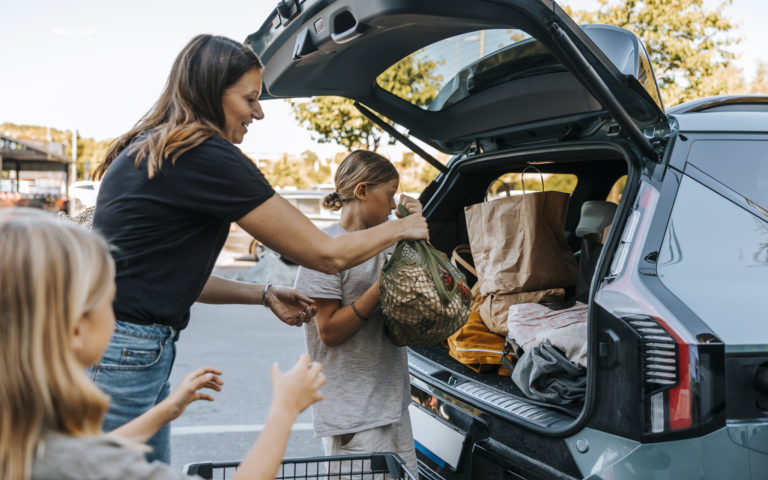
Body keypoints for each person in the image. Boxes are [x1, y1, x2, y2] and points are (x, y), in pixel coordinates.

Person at [90, 34, 428, 463]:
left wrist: (264, 294)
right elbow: (327, 254)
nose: (260, 111)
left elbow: (167, 280)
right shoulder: (206, 155)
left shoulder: (157, 148)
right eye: (250, 98)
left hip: (119, 347)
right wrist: (405, 229)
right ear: (214, 94)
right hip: (127, 353)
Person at [0, 208, 326, 480]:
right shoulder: (76, 462)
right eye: (111, 298)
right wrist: (285, 409)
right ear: (75, 330)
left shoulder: (26, 439)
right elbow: (91, 461)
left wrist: (166, 410)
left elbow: (94, 451)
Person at [293, 150, 419, 476]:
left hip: (393, 406)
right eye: (389, 195)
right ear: (362, 191)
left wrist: (415, 225)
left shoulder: (388, 238)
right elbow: (329, 332)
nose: (393, 206)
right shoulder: (323, 250)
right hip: (354, 417)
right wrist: (379, 287)